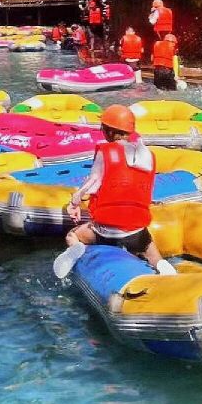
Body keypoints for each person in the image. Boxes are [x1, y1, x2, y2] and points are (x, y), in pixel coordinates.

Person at [54, 104, 175, 277]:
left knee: (72, 235)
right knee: (150, 249)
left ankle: (79, 251)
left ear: (110, 131)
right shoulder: (147, 155)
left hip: (106, 231)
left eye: (102, 127)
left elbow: (92, 183)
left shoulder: (106, 152)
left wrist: (74, 202)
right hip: (137, 231)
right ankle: (162, 266)